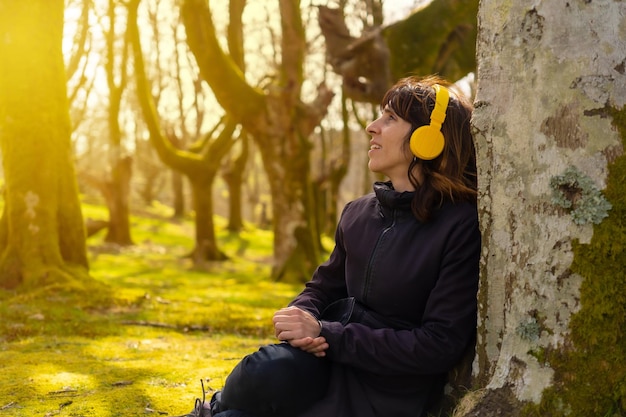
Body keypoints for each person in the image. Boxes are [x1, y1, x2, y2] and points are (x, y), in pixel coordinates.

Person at [178, 74, 481, 417]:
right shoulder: (358, 214)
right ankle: (215, 406)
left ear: (429, 138)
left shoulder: (459, 225)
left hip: (386, 392)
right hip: (325, 362)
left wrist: (329, 333)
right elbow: (323, 286)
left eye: (391, 118)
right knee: (261, 370)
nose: (372, 127)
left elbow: (439, 344)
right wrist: (302, 314)